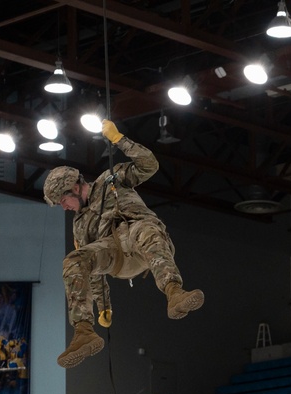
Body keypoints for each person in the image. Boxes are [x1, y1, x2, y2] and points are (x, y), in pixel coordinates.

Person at [43, 120, 205, 368]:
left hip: (142, 238)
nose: (64, 207)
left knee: (145, 229)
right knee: (75, 259)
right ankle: (84, 332)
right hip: (116, 256)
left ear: (76, 186)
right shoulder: (79, 224)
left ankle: (174, 293)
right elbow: (93, 272)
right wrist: (103, 307)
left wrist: (119, 140)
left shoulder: (112, 180)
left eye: (64, 200)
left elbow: (149, 165)